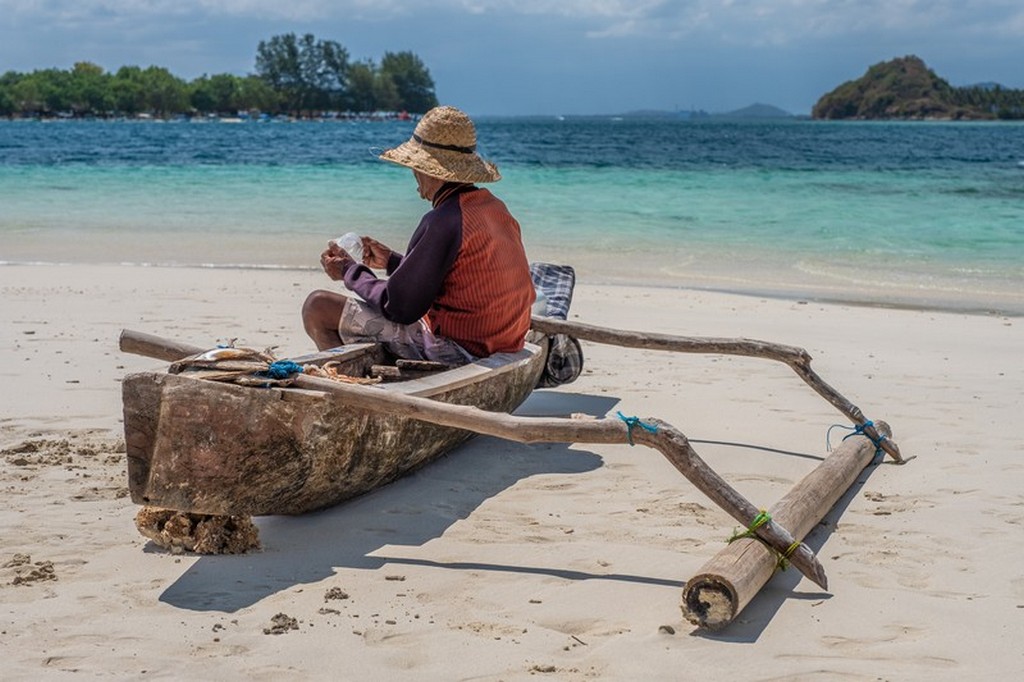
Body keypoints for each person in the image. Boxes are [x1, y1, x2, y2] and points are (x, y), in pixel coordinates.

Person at [301, 105, 535, 366]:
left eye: (415, 166)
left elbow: (400, 307)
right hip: (504, 339)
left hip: (461, 349)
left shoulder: (443, 220)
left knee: (318, 306)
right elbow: (452, 281)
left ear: (429, 169)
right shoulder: (492, 208)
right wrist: (392, 262)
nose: (413, 174)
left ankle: (345, 384)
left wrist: (348, 271)